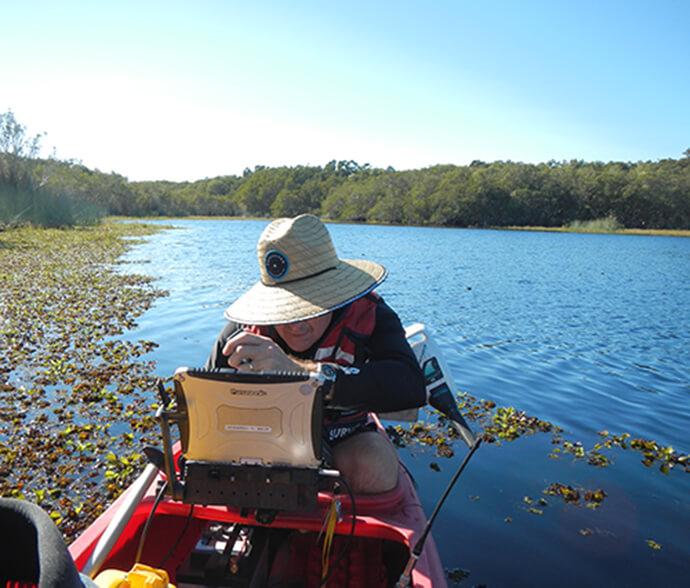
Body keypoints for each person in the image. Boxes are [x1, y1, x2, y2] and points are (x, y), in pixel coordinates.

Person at [206, 214, 425, 494]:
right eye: (285, 309)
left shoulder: (371, 314)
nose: (296, 323)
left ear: (334, 295)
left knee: (373, 466)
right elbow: (206, 400)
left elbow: (410, 386)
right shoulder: (244, 330)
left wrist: (304, 374)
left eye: (310, 308)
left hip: (343, 437)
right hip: (266, 441)